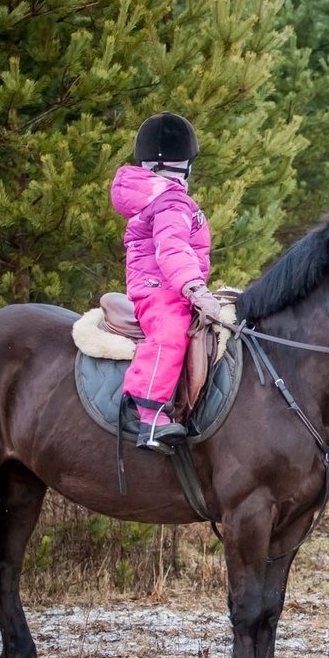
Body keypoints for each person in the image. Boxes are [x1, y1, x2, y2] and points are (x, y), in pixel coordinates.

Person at [112, 112, 222, 453]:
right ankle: (149, 415)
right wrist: (194, 288)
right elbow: (170, 248)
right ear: (183, 164)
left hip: (169, 285)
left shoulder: (163, 198)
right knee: (171, 334)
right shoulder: (171, 200)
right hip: (161, 291)